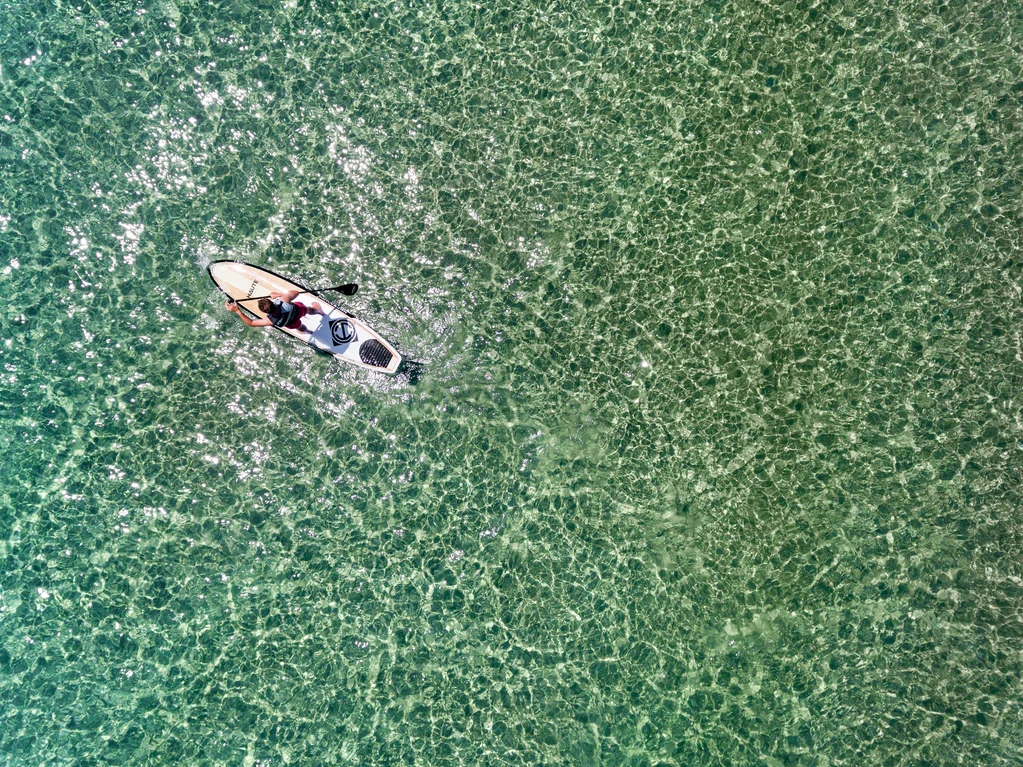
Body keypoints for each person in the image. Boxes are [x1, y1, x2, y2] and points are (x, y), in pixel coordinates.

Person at [226, 290, 324, 334]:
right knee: (307, 309)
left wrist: (237, 311)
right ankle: (320, 312)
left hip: (292, 323)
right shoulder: (283, 300)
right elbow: (296, 293)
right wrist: (278, 295)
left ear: (264, 311)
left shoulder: (271, 320)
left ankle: (308, 332)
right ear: (272, 302)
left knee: (299, 326)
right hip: (298, 311)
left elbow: (251, 323)